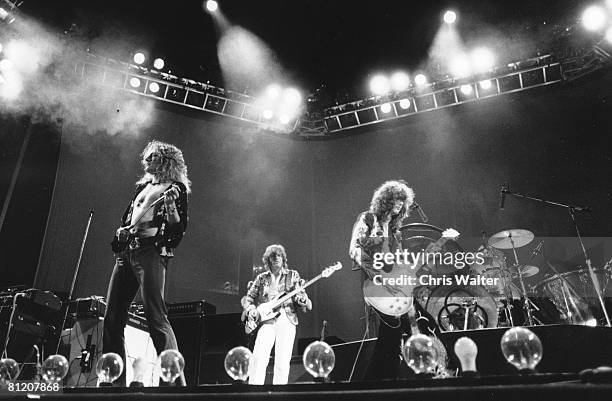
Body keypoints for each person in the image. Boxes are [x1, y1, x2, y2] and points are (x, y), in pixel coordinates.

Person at [103, 140, 191, 386]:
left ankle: (174, 382)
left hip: (151, 253)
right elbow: (131, 218)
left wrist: (171, 204)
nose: (146, 160)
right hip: (127, 254)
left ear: (165, 159)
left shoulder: (175, 188)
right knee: (112, 317)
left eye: (151, 156)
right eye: (146, 156)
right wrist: (122, 231)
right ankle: (113, 379)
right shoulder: (142, 187)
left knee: (156, 316)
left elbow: (177, 226)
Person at [349, 180, 439, 380]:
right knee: (400, 335)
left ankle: (377, 385)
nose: (399, 204)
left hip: (398, 290)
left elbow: (399, 265)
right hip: (379, 288)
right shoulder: (368, 219)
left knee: (397, 337)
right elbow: (355, 249)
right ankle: (429, 374)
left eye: (402, 202)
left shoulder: (396, 232)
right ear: (385, 201)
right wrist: (379, 276)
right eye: (395, 200)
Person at [242, 244, 312, 385]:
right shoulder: (261, 278)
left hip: (286, 319)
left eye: (279, 255)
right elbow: (248, 299)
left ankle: (279, 394)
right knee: (259, 357)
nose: (276, 258)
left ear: (283, 258)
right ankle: (254, 393)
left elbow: (299, 296)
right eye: (273, 256)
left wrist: (302, 299)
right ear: (268, 260)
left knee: (282, 361)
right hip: (267, 321)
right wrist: (251, 310)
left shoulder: (292, 275)